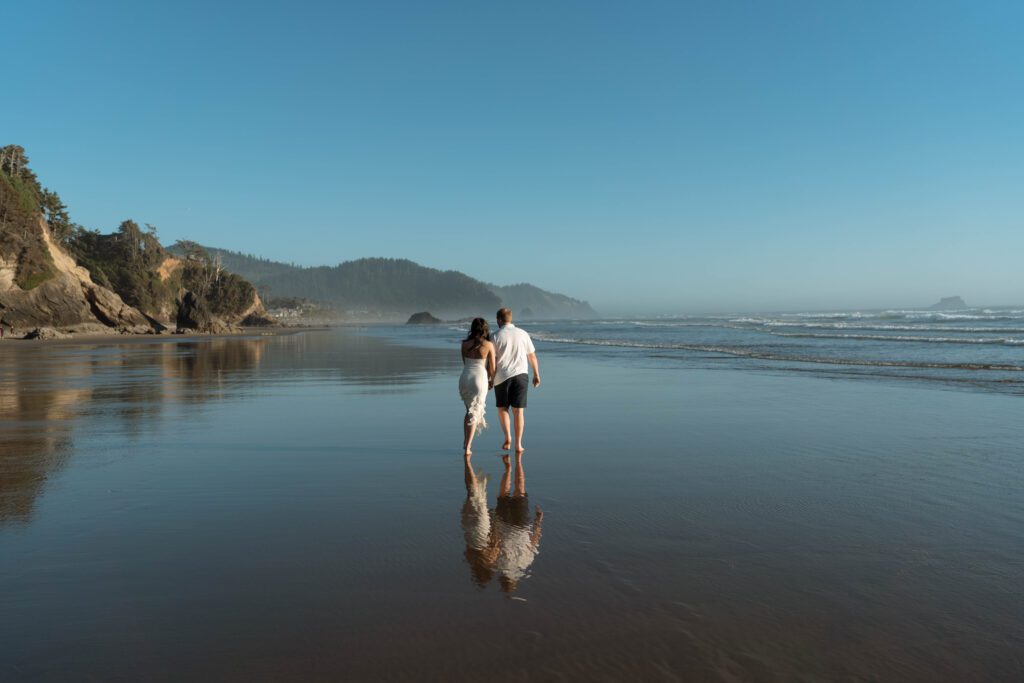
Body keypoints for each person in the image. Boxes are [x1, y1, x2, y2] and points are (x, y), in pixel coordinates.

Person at [490, 308, 540, 453]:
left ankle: (508, 437)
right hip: (521, 375)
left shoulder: (494, 336)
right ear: (510, 319)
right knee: (519, 412)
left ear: (499, 320)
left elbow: (492, 360)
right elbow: (532, 356)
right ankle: (518, 444)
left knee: (503, 408)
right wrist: (536, 374)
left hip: (502, 376)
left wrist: (490, 378)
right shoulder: (523, 334)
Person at [459, 317, 496, 456]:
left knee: (469, 411)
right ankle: (468, 447)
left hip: (464, 378)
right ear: (485, 329)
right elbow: (492, 368)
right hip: (479, 379)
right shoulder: (488, 345)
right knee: (474, 413)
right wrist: (492, 380)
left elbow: (465, 362)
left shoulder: (464, 344)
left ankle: (465, 441)